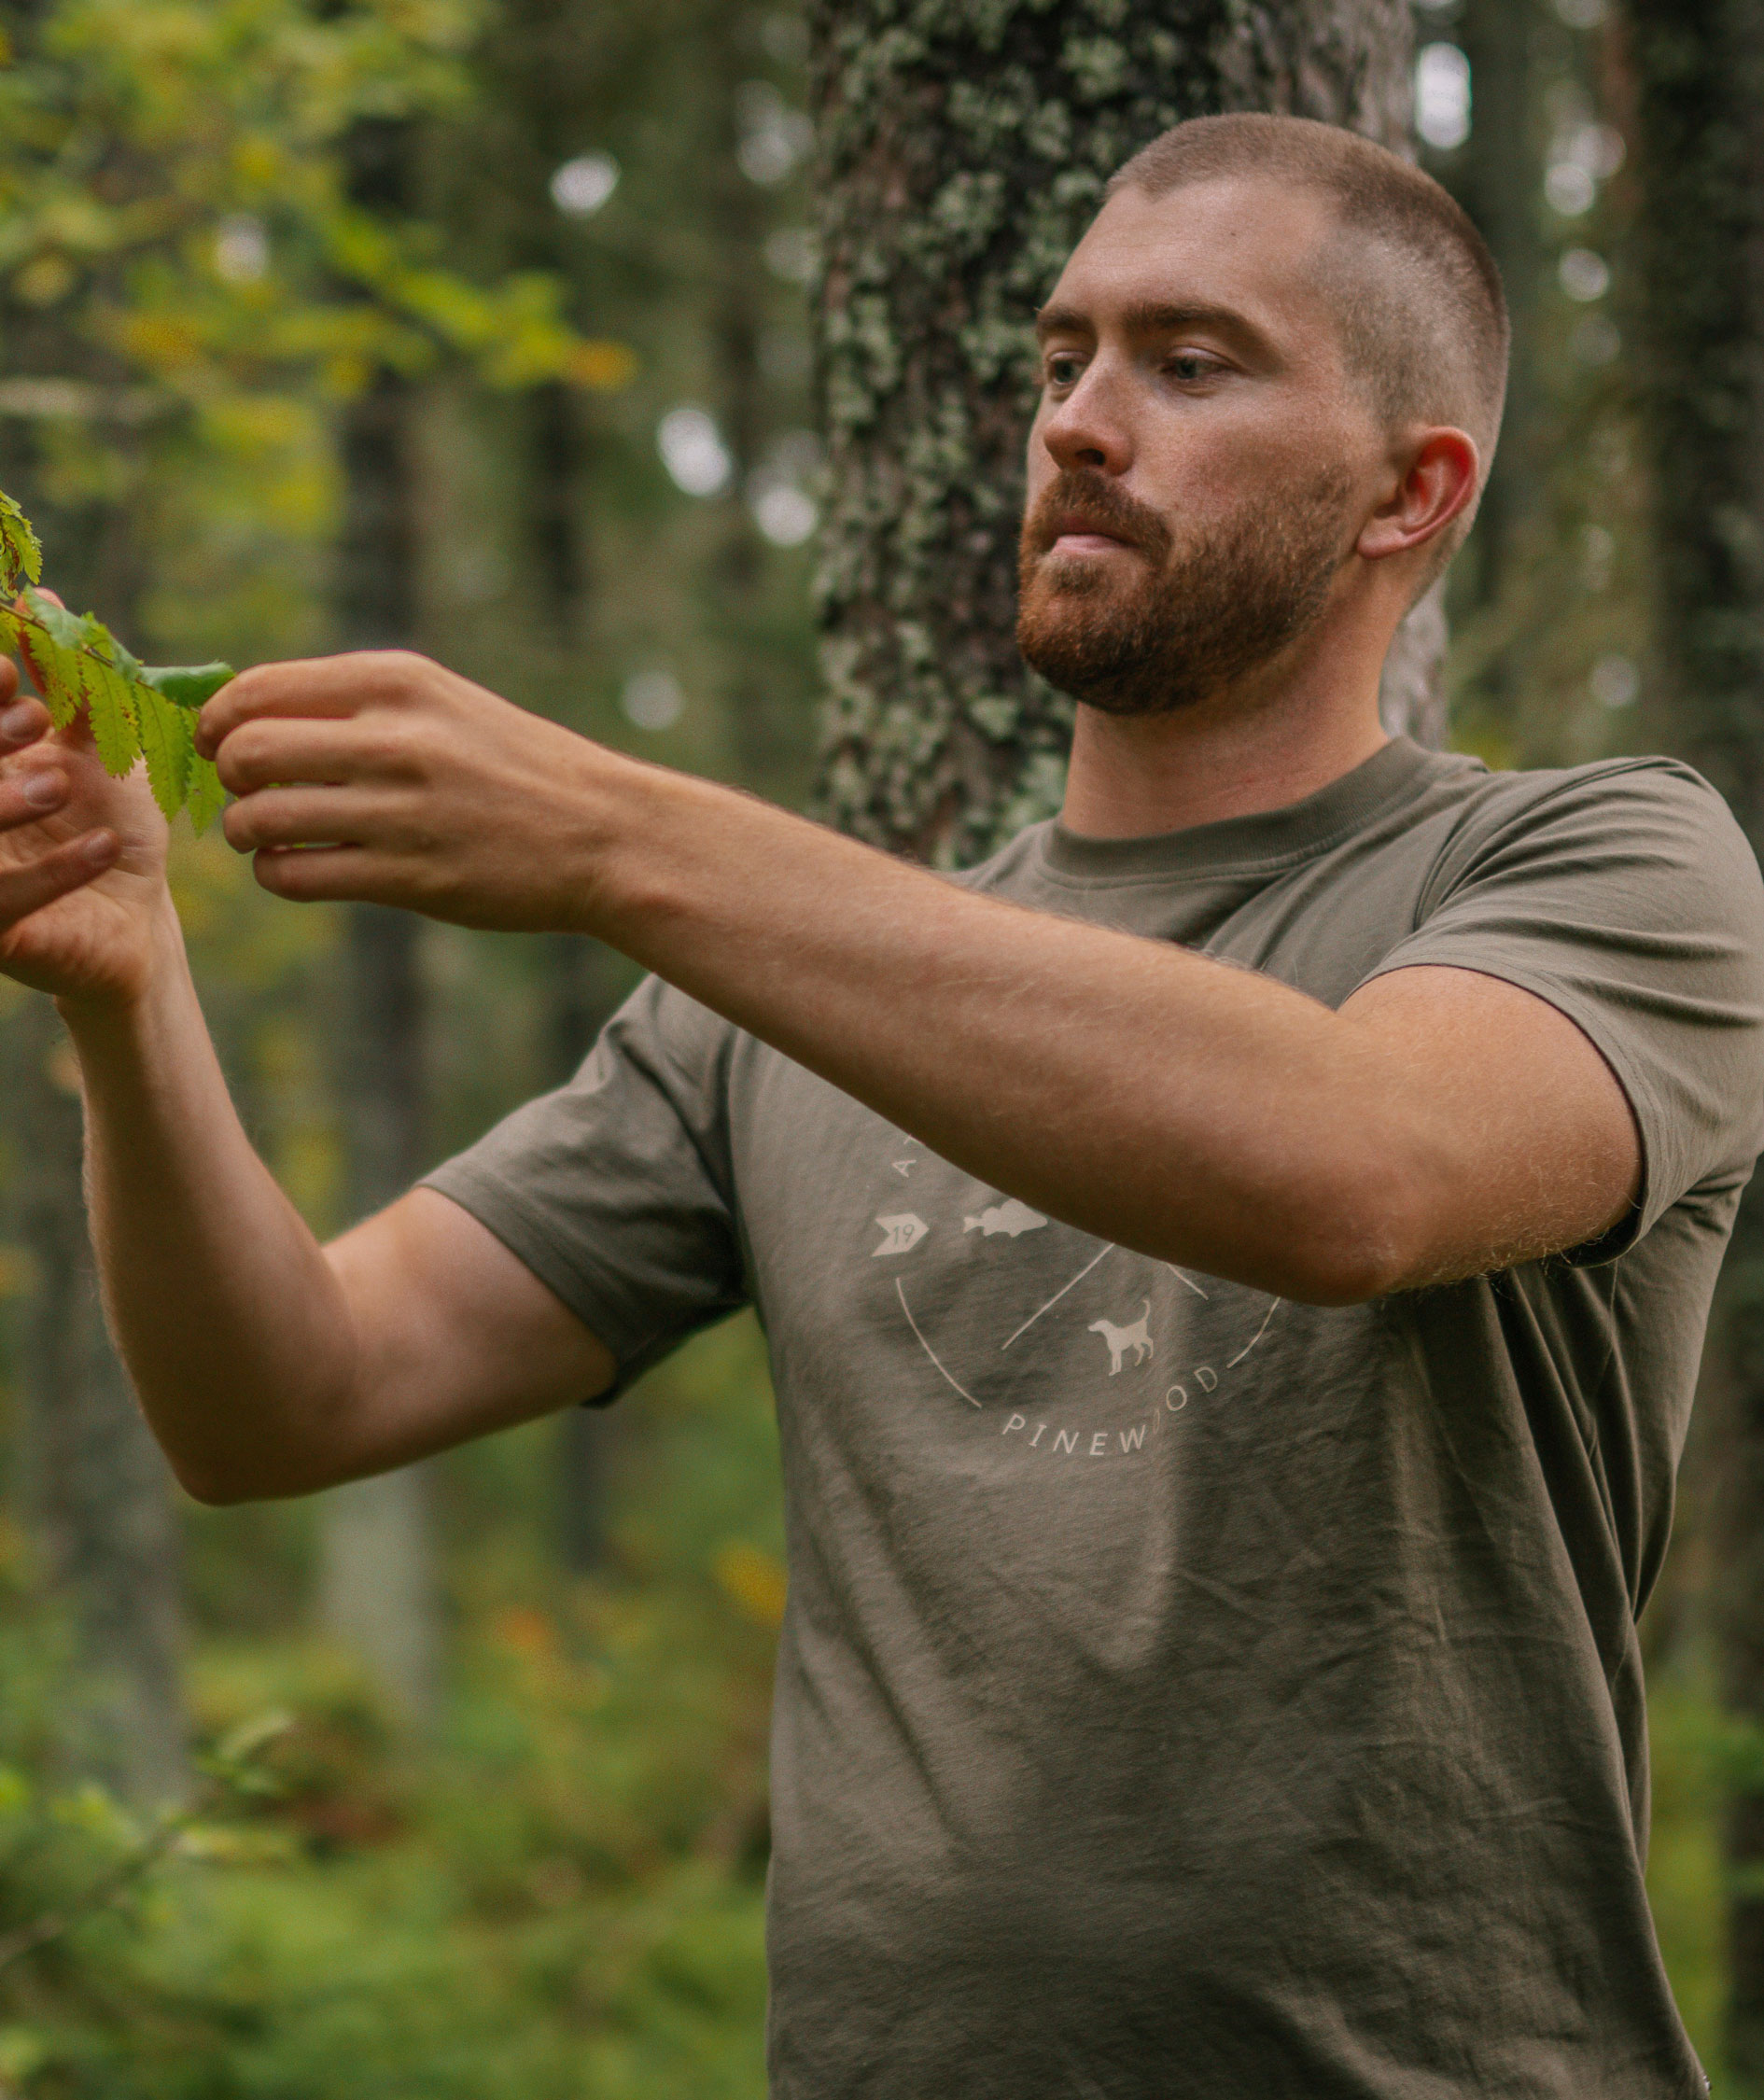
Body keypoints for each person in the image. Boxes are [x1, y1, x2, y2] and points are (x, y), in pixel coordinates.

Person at [0, 110, 1753, 2097]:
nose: (1078, 421)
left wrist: (615, 837)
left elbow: (1358, 1172)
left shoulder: (1608, 867)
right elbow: (280, 1400)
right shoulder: (769, 1007)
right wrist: (133, 993)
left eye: (1190, 364)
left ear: (1408, 492)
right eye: (1059, 359)